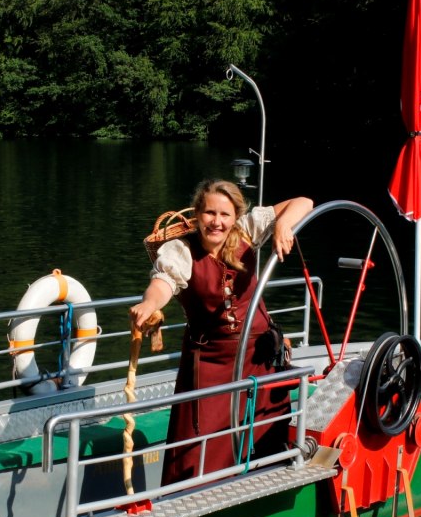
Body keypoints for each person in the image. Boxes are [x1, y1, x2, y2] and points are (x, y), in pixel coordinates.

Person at [131, 180, 314, 485]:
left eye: (225, 214)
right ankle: (188, 504)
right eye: (209, 213)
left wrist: (282, 226)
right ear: (197, 216)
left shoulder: (247, 230)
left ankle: (262, 491)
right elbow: (163, 281)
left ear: (236, 216)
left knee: (265, 436)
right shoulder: (182, 250)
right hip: (211, 364)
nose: (217, 222)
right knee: (197, 449)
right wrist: (149, 304)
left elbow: (304, 201)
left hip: (260, 359)